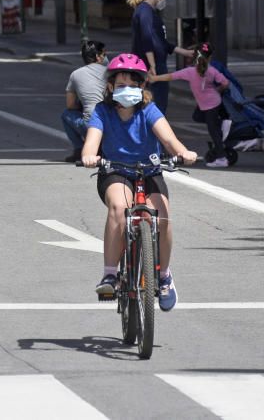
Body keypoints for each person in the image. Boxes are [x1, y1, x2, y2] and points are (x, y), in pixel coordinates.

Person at [81, 54, 197, 312]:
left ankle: (164, 276)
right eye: (121, 84)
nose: (127, 90)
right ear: (110, 86)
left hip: (149, 170)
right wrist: (89, 156)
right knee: (119, 210)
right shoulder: (103, 111)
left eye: (133, 84)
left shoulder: (149, 110)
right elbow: (91, 141)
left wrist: (183, 152)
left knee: (163, 216)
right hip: (115, 171)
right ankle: (110, 275)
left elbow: (169, 140)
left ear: (142, 86)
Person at [149, 42, 231, 167]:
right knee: (197, 117)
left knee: (214, 132)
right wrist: (217, 90)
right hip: (212, 103)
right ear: (209, 57)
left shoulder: (190, 72)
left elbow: (171, 76)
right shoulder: (212, 70)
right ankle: (221, 124)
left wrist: (155, 78)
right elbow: (225, 82)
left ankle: (222, 158)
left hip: (210, 106)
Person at [128, 0, 194, 114]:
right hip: (152, 66)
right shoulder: (145, 12)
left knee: (150, 107)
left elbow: (162, 43)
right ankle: (153, 134)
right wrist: (152, 65)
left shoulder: (147, 11)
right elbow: (147, 39)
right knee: (156, 108)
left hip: (151, 64)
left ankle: (149, 134)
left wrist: (186, 53)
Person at [61, 40, 108, 163]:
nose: (106, 57)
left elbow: (70, 105)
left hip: (90, 124)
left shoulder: (75, 74)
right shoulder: (111, 72)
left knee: (66, 115)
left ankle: (79, 149)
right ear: (98, 57)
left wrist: (82, 106)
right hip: (112, 122)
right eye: (104, 54)